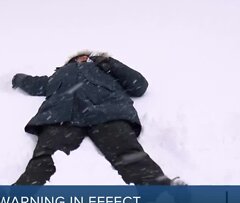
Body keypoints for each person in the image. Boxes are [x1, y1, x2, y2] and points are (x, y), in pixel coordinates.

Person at [11, 51, 185, 186]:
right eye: (78, 57)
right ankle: (20, 195)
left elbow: (139, 86)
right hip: (63, 115)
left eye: (87, 56)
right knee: (45, 155)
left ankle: (163, 189)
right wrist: (18, 78)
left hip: (107, 112)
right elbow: (34, 84)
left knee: (128, 152)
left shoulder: (105, 69)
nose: (83, 58)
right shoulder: (59, 75)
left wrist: (109, 63)